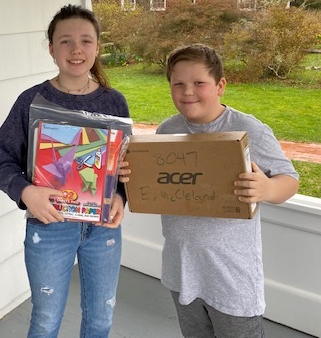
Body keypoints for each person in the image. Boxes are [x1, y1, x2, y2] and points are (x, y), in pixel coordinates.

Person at [120, 44, 299, 338]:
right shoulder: (167, 131)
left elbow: (289, 180)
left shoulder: (248, 129)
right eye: (178, 84)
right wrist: (131, 175)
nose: (187, 91)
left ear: (220, 86)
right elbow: (153, 180)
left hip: (231, 276)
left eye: (199, 83)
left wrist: (267, 188)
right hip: (182, 268)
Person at [0, 4, 130, 338]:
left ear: (97, 47)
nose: (76, 49)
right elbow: (1, 160)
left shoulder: (114, 103)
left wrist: (121, 197)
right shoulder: (31, 101)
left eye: (85, 40)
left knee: (100, 318)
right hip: (50, 227)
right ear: (51, 48)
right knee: (46, 319)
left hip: (102, 229)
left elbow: (122, 167)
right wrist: (26, 192)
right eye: (65, 41)